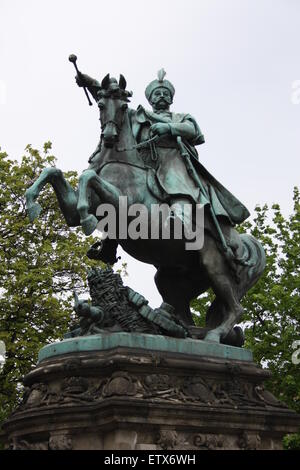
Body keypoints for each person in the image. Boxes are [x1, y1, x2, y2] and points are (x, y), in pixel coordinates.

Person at [76, 69, 250, 264]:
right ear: (150, 99)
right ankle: (109, 243)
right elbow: (113, 100)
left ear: (171, 99)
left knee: (176, 185)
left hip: (172, 162)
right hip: (144, 164)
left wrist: (168, 127)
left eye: (165, 93)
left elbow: (194, 131)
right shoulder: (139, 115)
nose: (161, 96)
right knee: (119, 193)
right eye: (157, 94)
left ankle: (184, 222)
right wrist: (88, 81)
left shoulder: (180, 117)